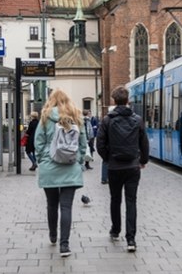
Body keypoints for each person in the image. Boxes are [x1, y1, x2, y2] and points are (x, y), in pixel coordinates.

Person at [97, 85, 149, 252]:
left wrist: (107, 158)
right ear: (127, 101)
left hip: (114, 166)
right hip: (133, 166)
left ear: (114, 100)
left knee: (115, 199)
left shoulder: (107, 120)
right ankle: (131, 239)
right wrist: (143, 160)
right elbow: (144, 142)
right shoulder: (137, 119)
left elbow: (100, 144)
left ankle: (115, 230)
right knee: (131, 201)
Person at [34, 89, 86, 257]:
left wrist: (43, 159)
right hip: (70, 167)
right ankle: (65, 245)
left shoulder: (45, 117)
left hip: (50, 167)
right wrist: (78, 160)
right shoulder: (77, 116)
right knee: (66, 207)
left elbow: (38, 142)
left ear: (51, 100)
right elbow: (83, 143)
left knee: (51, 204)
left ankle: (53, 235)